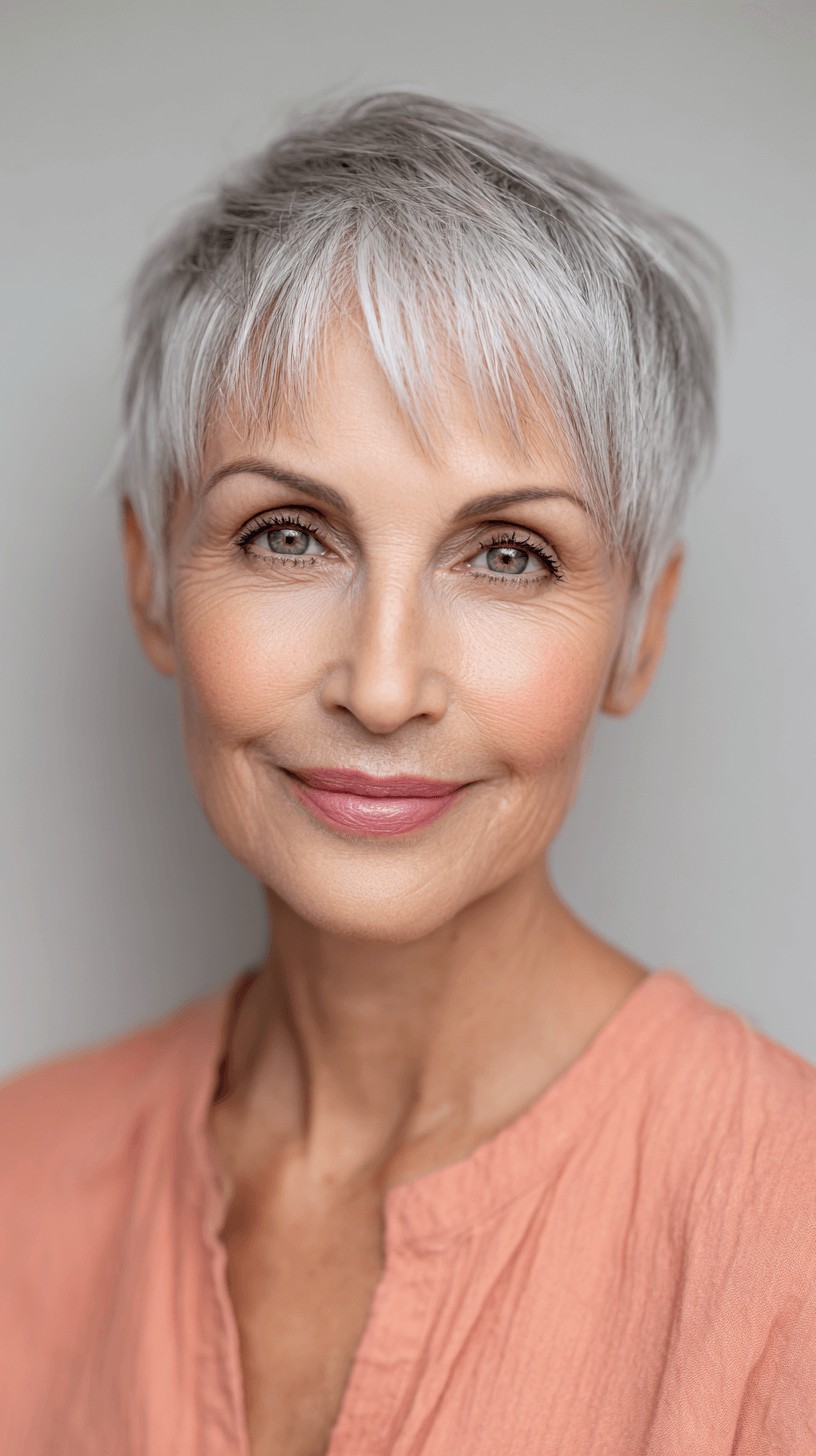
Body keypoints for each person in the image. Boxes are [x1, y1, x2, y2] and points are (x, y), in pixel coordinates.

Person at [1, 90, 814, 1456]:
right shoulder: (18, 1182)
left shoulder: (789, 1232)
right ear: (151, 582)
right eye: (286, 535)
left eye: (509, 554)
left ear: (639, 634)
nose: (381, 685)